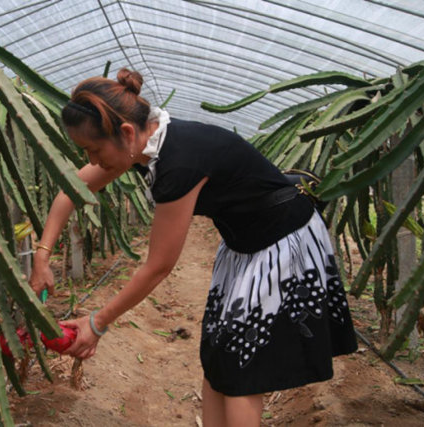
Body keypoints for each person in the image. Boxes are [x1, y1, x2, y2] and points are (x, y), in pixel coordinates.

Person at [29, 68, 357, 426]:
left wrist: (98, 322)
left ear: (125, 132)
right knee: (219, 355)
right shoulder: (142, 146)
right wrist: (42, 258)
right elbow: (69, 191)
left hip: (281, 241)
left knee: (242, 367)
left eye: (94, 150)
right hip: (243, 243)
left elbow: (158, 266)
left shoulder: (179, 162)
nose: (92, 161)